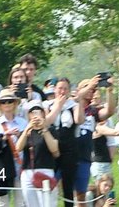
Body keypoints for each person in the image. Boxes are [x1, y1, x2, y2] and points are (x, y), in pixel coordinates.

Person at [44, 77, 86, 207]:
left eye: (65, 89)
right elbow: (47, 122)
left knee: (68, 185)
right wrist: (58, 106)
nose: (62, 91)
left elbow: (79, 120)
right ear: (55, 90)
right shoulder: (47, 105)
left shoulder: (73, 105)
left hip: (69, 148)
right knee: (48, 181)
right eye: (60, 88)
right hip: (51, 147)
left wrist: (79, 101)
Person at [0, 88, 28, 207]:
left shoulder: (23, 123)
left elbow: (30, 144)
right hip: (2, 167)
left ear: (15, 103)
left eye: (10, 101)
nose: (7, 104)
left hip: (20, 166)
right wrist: (3, 137)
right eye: (3, 102)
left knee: (21, 202)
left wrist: (20, 136)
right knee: (3, 202)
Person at [17, 102, 60, 207]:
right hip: (28, 171)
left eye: (38, 112)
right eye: (32, 112)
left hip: (45, 170)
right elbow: (18, 148)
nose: (35, 116)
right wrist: (27, 129)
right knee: (31, 203)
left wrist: (44, 129)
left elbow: (54, 149)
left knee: (46, 203)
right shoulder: (26, 132)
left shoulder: (51, 130)